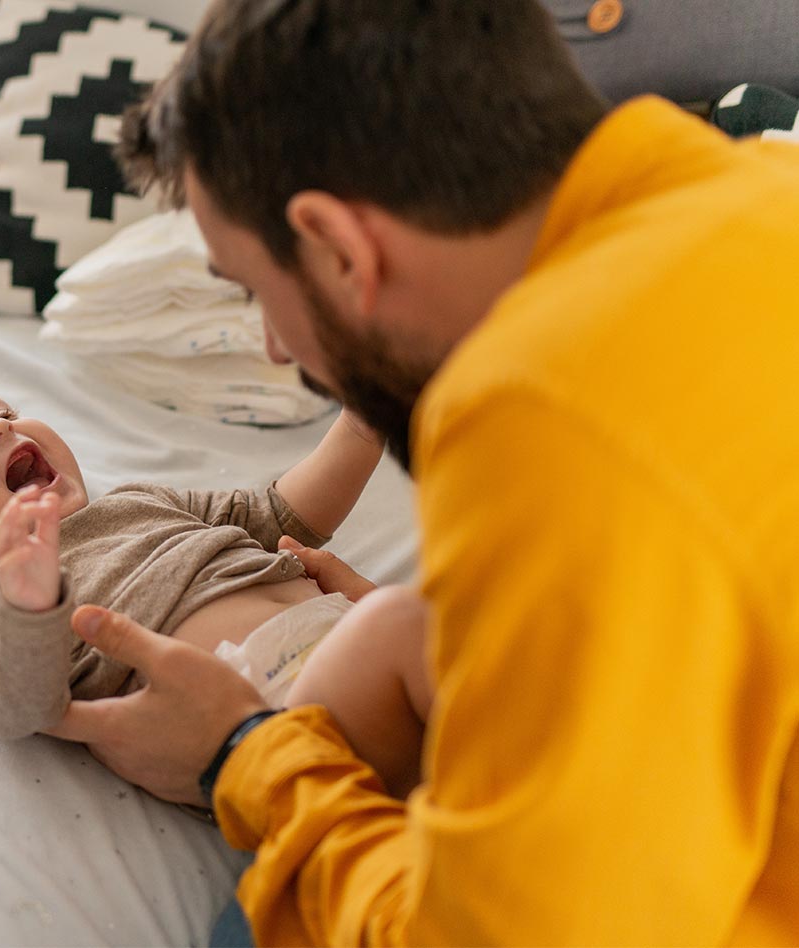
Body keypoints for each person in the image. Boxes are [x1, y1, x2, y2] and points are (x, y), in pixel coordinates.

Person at [43, 0, 799, 944]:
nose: (278, 346)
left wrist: (243, 754)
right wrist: (489, 636)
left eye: (259, 295)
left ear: (339, 247)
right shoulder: (766, 187)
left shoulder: (541, 413)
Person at [0, 383, 430, 799]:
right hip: (272, 709)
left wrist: (357, 427)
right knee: (407, 620)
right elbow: (10, 706)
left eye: (2, 411)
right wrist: (29, 600)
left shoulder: (138, 502)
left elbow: (278, 515)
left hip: (343, 656)